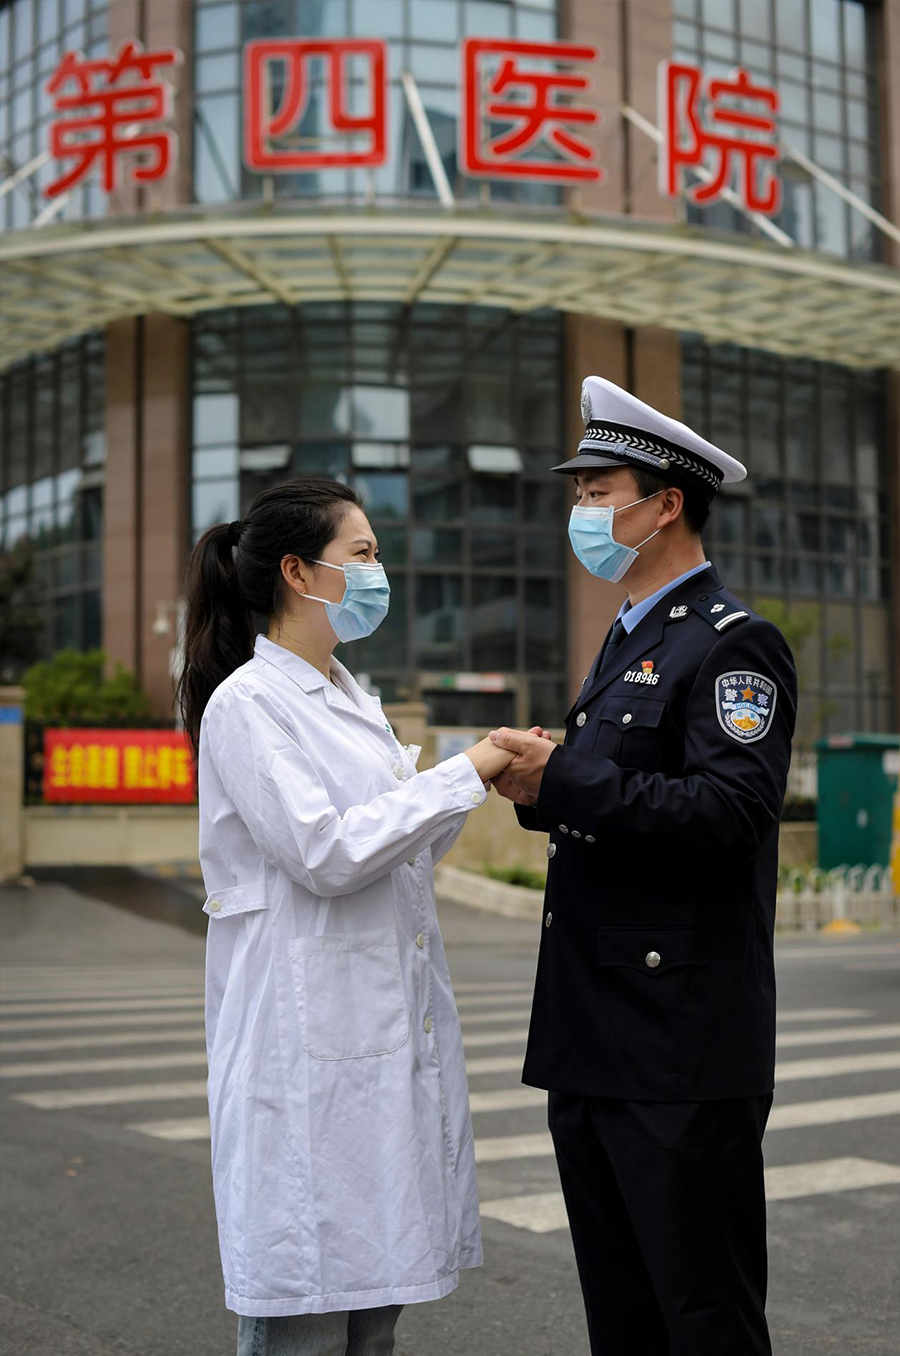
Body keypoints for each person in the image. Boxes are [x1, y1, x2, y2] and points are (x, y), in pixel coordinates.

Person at [489, 376, 798, 1356]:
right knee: (624, 1324)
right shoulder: (628, 641)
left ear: (665, 502)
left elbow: (731, 813)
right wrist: (546, 788)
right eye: (578, 489)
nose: (583, 507)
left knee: (703, 1320)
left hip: (679, 1050)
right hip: (596, 1039)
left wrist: (567, 779)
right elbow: (623, 806)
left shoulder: (733, 646)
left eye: (599, 487)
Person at [176, 477, 517, 1356]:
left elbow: (396, 853)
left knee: (371, 1324)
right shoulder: (249, 704)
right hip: (302, 1062)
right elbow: (324, 852)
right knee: (307, 1325)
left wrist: (472, 781)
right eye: (362, 554)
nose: (379, 572)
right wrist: (459, 773)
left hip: (371, 1054)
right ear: (298, 570)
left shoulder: (352, 699)